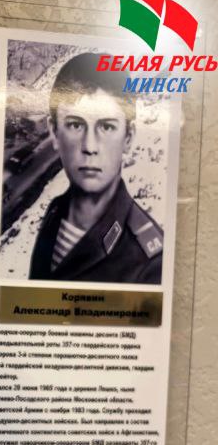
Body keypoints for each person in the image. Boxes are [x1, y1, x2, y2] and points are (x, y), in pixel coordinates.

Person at [27, 52, 164, 284]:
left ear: (128, 137)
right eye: (75, 125)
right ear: (54, 133)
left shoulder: (152, 263)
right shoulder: (55, 213)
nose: (90, 147)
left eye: (107, 127)